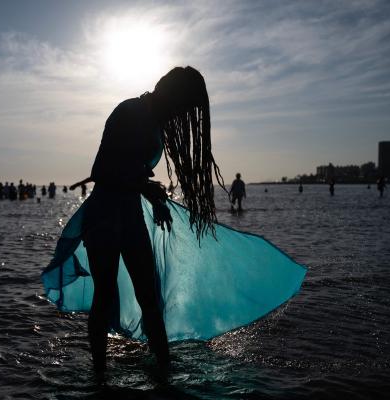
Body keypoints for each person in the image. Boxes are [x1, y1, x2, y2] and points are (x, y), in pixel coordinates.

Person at [42, 66, 305, 376]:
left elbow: (132, 171)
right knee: (104, 296)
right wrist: (144, 185)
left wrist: (149, 192)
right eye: (183, 105)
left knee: (149, 296)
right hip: (103, 216)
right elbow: (101, 171)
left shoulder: (155, 122)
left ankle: (163, 372)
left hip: (130, 214)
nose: (183, 114)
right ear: (171, 94)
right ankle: (100, 377)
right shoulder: (129, 110)